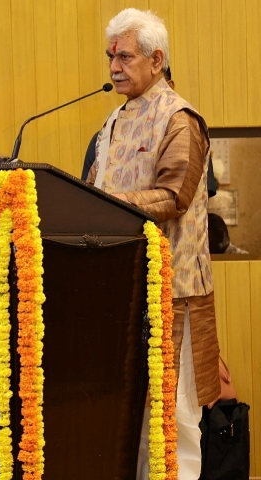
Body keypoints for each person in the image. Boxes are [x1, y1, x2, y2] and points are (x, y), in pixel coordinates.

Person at [85, 9, 221, 479]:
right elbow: (88, 191)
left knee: (174, 419)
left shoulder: (180, 119)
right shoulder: (112, 122)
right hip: (121, 293)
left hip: (173, 294)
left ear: (156, 59)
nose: (113, 67)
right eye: (110, 57)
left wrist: (101, 201)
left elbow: (174, 196)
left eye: (124, 56)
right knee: (132, 418)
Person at [81, 67, 217, 199]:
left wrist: (123, 201)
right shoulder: (106, 136)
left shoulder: (183, 128)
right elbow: (88, 196)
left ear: (170, 87)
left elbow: (187, 197)